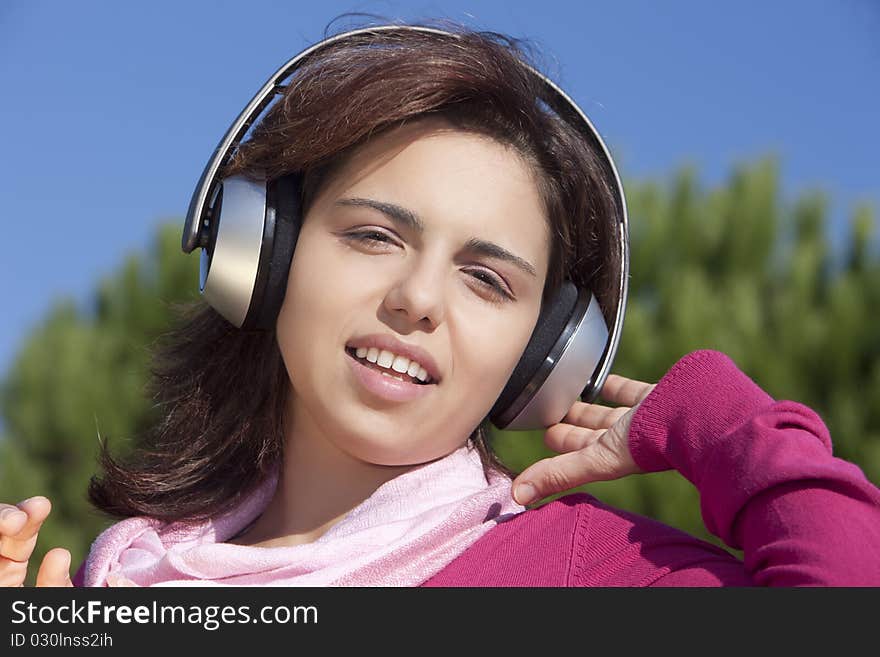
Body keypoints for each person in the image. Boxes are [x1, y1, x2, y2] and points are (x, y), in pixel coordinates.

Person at [1, 22, 879, 588]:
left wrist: (729, 429)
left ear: (546, 355)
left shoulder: (589, 575)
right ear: (265, 254)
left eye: (487, 279)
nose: (418, 299)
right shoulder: (123, 581)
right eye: (374, 236)